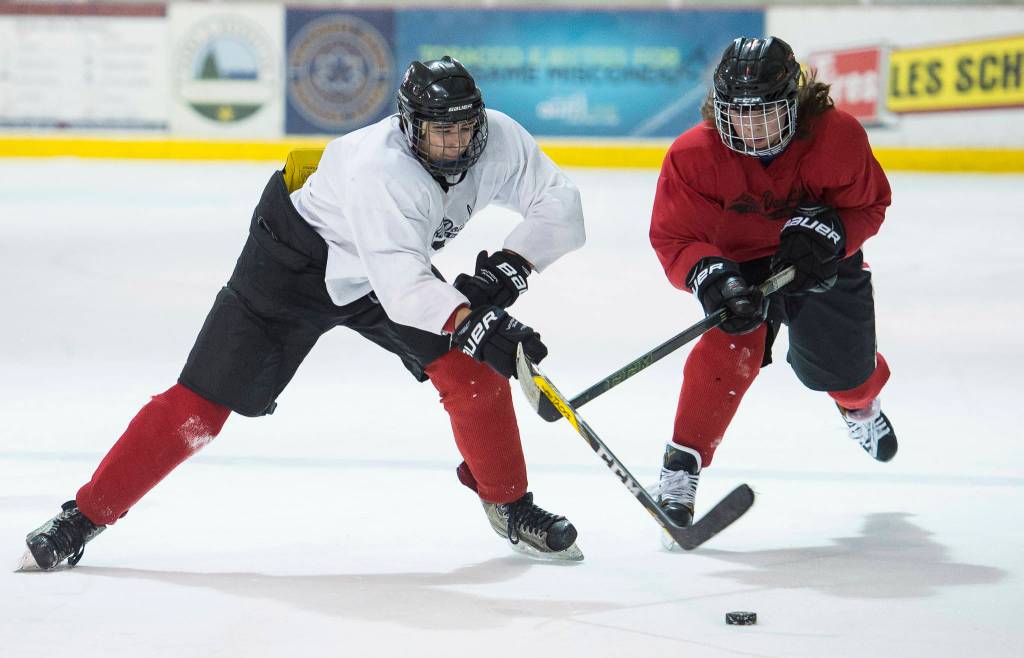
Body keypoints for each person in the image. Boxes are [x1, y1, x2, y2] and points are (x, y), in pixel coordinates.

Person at [21, 56, 587, 571]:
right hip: (292, 260)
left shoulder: (501, 140)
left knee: (472, 375)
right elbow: (402, 289)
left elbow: (560, 201)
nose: (456, 143)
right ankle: (85, 515)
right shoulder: (380, 171)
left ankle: (511, 505)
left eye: (466, 128)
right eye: (442, 131)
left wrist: (507, 268)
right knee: (202, 406)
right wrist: (472, 321)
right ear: (409, 125)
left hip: (382, 269)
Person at [648, 36, 896, 535]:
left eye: (766, 113)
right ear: (720, 108)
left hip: (819, 257)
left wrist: (833, 234)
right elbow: (675, 237)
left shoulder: (837, 137)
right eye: (740, 115)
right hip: (740, 264)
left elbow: (869, 205)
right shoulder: (694, 155)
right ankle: (683, 462)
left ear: (796, 102)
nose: (753, 129)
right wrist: (708, 275)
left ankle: (858, 404)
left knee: (842, 372)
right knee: (730, 345)